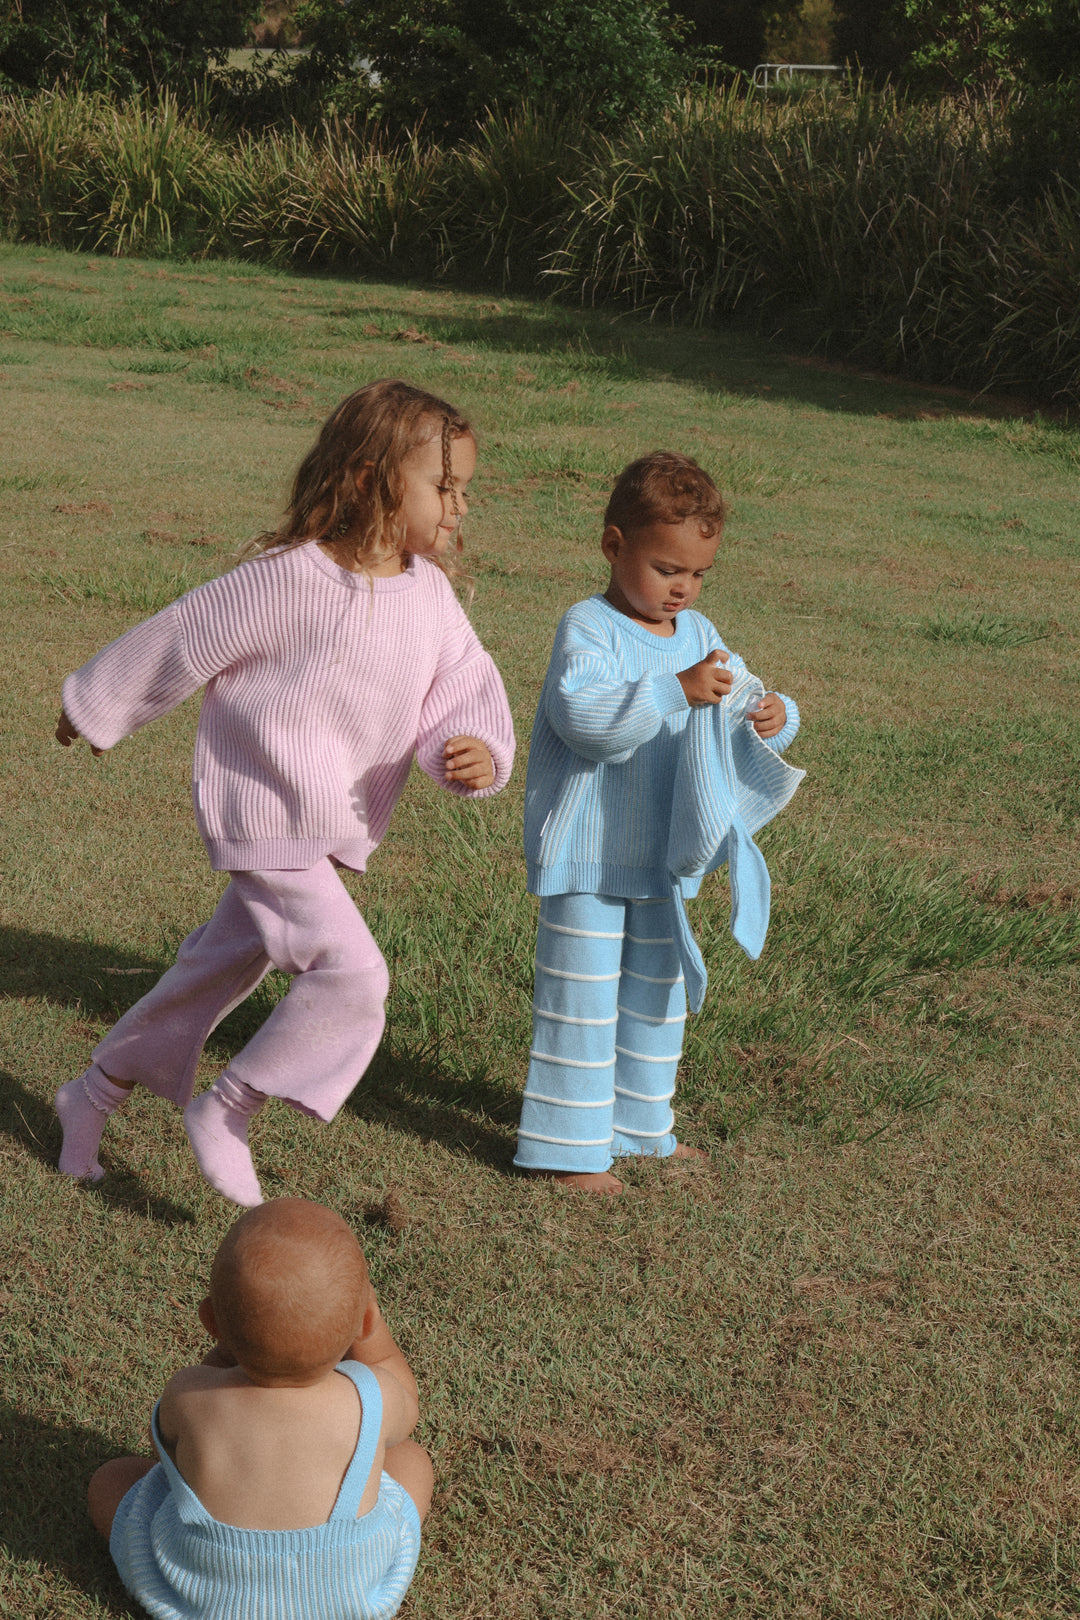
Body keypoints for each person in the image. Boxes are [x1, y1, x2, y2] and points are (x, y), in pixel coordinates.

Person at [54, 378, 515, 1207]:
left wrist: (474, 749)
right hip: (267, 810)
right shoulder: (288, 579)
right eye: (443, 487)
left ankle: (88, 1099)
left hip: (329, 824)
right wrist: (93, 706)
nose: (459, 508)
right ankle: (229, 1108)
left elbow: (464, 685)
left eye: (465, 491)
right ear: (375, 476)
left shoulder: (432, 596)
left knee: (210, 972)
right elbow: (183, 636)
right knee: (353, 973)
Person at [514, 451, 803, 1195]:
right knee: (580, 1003)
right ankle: (567, 1150)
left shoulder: (697, 630)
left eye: (699, 573)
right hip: (590, 850)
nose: (683, 588)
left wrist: (775, 714)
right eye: (666, 567)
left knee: (656, 993)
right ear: (614, 546)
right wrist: (675, 690)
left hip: (663, 855)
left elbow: (743, 694)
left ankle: (641, 1128)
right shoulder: (589, 628)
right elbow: (585, 723)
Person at [88, 1198, 431, 1620]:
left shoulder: (191, 1394)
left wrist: (237, 1340)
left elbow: (168, 1450)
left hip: (208, 1599)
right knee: (412, 1460)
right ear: (362, 1322)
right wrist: (373, 1334)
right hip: (346, 1596)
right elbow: (408, 1407)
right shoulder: (369, 1394)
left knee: (112, 1479)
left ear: (210, 1321)